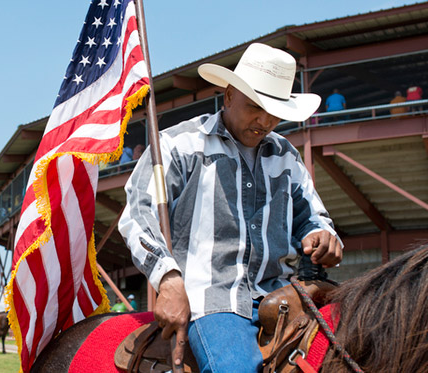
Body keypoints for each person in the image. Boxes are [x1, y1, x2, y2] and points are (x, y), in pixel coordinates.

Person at [119, 43, 343, 373]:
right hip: (213, 301)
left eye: (275, 112)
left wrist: (323, 235)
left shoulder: (286, 156)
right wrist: (168, 279)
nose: (265, 121)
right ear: (228, 96)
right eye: (255, 106)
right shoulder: (180, 145)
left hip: (282, 297)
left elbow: (312, 217)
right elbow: (139, 213)